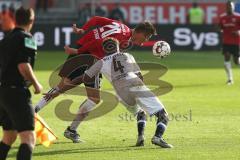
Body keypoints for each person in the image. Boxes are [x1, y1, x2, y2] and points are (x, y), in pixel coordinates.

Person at [34, 16, 156, 143]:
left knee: (63, 84)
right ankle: (71, 130)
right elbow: (98, 43)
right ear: (141, 32)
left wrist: (83, 30)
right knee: (94, 98)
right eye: (146, 38)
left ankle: (35, 109)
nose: (144, 42)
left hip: (81, 50)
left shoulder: (120, 25)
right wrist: (79, 51)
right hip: (91, 57)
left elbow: (97, 19)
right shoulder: (122, 37)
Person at [44, 37, 173, 148]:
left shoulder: (100, 62)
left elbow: (84, 78)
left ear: (105, 50)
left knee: (139, 112)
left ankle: (140, 138)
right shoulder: (127, 55)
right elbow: (140, 76)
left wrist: (59, 90)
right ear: (117, 47)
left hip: (120, 93)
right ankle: (157, 137)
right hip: (134, 84)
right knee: (163, 115)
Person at [0, 7, 42, 160]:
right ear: (31, 21)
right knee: (29, 138)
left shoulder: (5, 39)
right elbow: (23, 65)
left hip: (3, 93)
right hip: (16, 92)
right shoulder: (27, 38)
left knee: (9, 136)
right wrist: (36, 84)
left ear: (15, 19)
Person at [219, 1, 240, 85]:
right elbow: (220, 27)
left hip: (236, 42)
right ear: (226, 7)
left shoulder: (238, 17)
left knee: (236, 61)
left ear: (233, 7)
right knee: (226, 56)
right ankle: (230, 79)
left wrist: (238, 32)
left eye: (230, 6)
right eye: (227, 6)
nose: (229, 8)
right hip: (226, 41)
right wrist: (219, 30)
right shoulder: (222, 17)